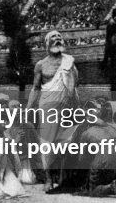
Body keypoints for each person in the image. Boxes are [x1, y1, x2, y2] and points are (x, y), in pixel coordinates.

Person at [27, 30, 80, 184]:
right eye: (53, 38)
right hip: (48, 108)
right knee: (48, 143)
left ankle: (62, 177)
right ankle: (49, 179)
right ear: (47, 43)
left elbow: (75, 85)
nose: (57, 40)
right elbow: (36, 88)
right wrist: (29, 108)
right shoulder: (41, 65)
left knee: (65, 142)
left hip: (67, 107)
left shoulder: (69, 61)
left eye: (59, 37)